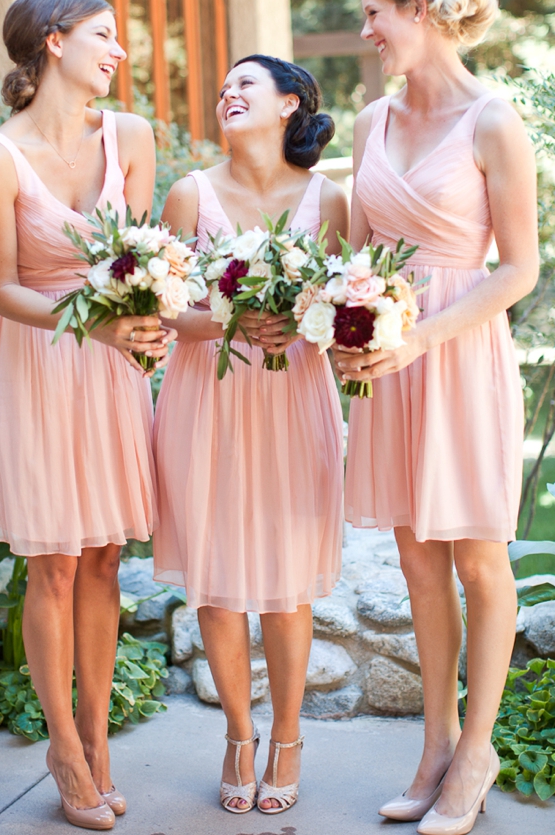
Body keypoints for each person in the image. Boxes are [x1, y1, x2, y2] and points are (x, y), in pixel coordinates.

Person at [334, 0, 538, 835]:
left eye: (376, 12)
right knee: (417, 560)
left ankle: (478, 750)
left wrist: (422, 337)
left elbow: (519, 270)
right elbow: (350, 255)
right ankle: (435, 745)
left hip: (458, 354)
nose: (366, 28)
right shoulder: (368, 123)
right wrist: (341, 322)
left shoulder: (494, 119)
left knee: (477, 559)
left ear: (420, 11)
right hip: (391, 360)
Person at [0, 0, 169, 832]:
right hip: (40, 365)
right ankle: (64, 749)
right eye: (103, 35)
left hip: (113, 369)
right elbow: (1, 287)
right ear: (54, 43)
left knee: (104, 556)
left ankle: (99, 741)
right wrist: (100, 319)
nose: (118, 50)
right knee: (52, 561)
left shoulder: (131, 137)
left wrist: (145, 320)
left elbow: (146, 260)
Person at [153, 56, 348, 815]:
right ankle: (238, 733)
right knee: (218, 577)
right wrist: (222, 320)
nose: (227, 93)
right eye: (223, 85)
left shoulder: (330, 198)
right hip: (209, 395)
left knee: (287, 581)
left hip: (294, 394)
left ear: (288, 103)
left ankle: (288, 736)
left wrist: (306, 321)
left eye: (246, 85)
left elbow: (349, 301)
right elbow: (166, 306)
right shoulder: (188, 194)